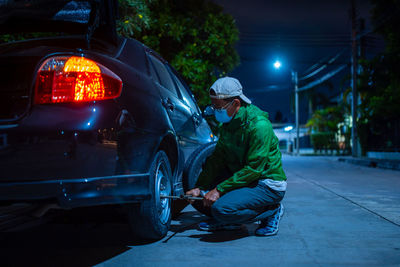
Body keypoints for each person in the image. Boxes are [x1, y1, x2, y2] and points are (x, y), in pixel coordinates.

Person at [186, 77, 287, 236]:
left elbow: (254, 169)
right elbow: (217, 158)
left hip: (266, 183)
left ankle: (271, 210)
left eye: (218, 107)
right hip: (248, 177)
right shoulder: (227, 125)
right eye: (213, 105)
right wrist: (201, 186)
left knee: (221, 209)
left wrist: (219, 190)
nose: (215, 110)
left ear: (236, 104)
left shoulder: (259, 126)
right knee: (206, 192)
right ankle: (231, 221)